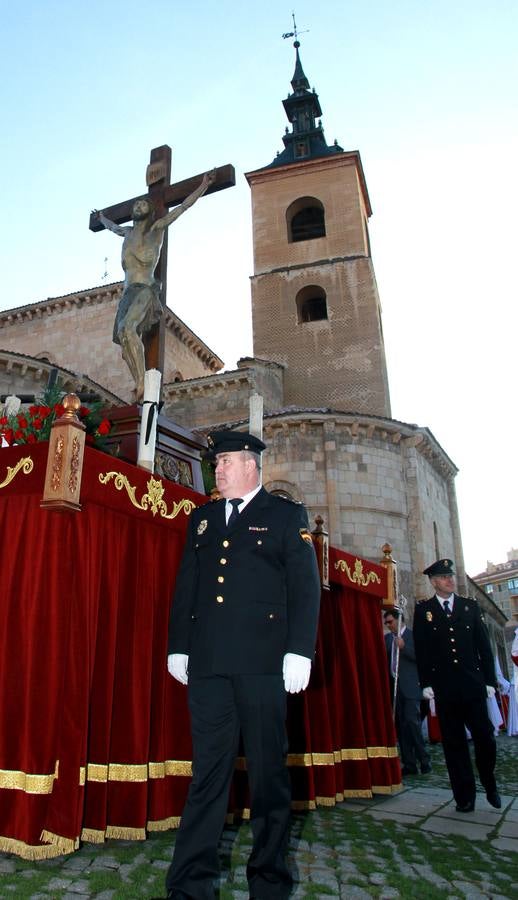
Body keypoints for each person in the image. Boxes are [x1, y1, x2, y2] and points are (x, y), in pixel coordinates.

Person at [163, 429, 321, 900]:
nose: (219, 469)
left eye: (226, 461)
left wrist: (300, 650)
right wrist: (179, 645)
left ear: (250, 464)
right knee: (207, 777)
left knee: (269, 777)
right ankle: (190, 886)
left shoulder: (284, 515)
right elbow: (187, 585)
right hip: (209, 666)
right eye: (217, 463)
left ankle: (269, 884)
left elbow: (304, 586)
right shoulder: (204, 519)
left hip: (262, 666)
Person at [93, 169, 216, 401]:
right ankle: (138, 382)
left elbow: (182, 208)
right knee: (124, 335)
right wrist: (101, 219)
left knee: (128, 328)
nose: (138, 206)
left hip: (146, 289)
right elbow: (112, 227)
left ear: (150, 210)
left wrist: (202, 186)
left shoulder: (156, 229)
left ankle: (141, 385)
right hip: (128, 292)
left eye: (143, 205)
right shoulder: (126, 232)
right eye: (136, 205)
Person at [413, 558, 500, 812]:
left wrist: (489, 681)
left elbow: (483, 647)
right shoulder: (424, 610)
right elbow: (423, 649)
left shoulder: (469, 607)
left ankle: (489, 780)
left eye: (451, 575)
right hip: (446, 688)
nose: (450, 579)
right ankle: (465, 796)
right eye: (444, 576)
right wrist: (426, 683)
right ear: (434, 582)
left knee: (485, 737)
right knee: (454, 745)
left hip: (472, 685)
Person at [383, 608, 431, 777]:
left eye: (390, 622)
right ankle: (409, 763)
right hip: (395, 689)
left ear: (399, 620)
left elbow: (422, 658)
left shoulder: (412, 636)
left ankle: (424, 760)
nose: (388, 625)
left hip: (410, 687)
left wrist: (404, 648)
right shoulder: (387, 639)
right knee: (401, 727)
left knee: (412, 723)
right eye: (386, 623)